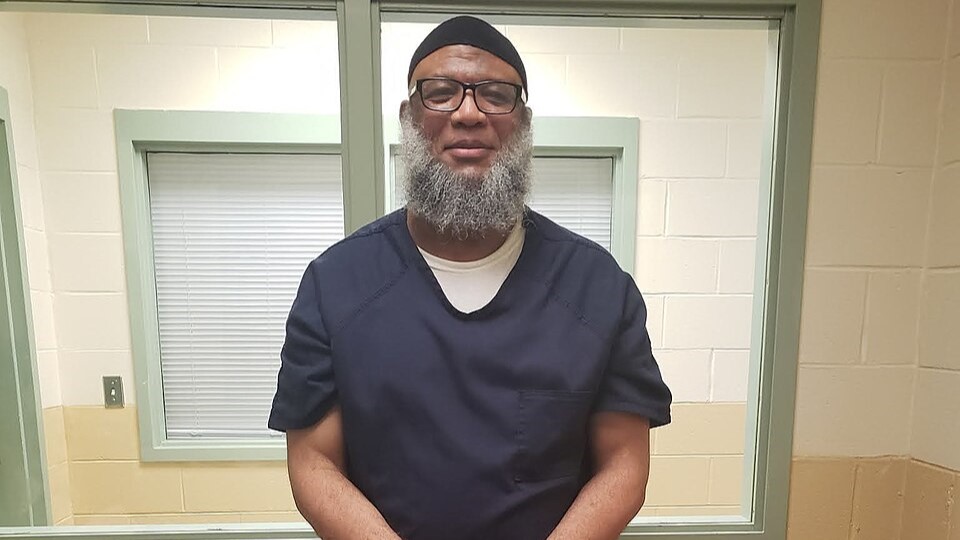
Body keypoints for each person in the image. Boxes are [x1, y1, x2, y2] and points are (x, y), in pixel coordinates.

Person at [269, 15, 672, 540]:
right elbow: (313, 463)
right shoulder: (336, 284)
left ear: (524, 123)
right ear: (408, 117)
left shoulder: (597, 288)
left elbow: (624, 464)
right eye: (440, 93)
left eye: (496, 96)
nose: (468, 113)